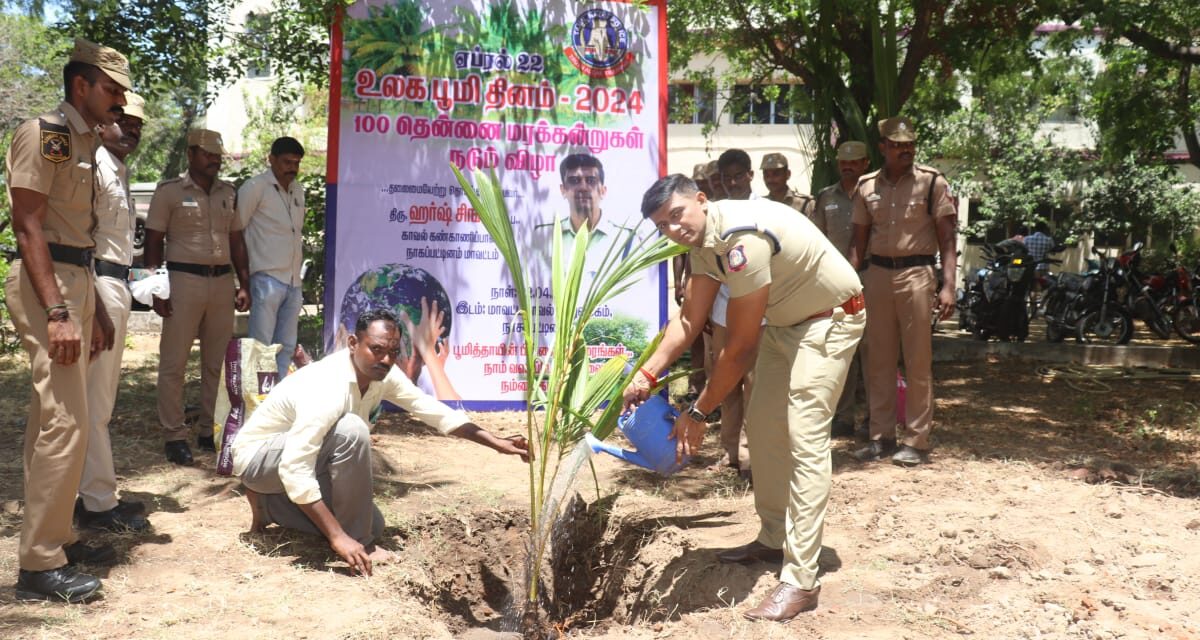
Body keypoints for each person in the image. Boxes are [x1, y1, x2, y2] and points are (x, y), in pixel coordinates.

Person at [625, 175, 865, 621]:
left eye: (676, 215)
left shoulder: (742, 239)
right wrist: (647, 373)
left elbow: (739, 347)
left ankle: (801, 580)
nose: (673, 229)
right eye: (662, 225)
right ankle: (774, 538)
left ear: (700, 199)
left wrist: (698, 412)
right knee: (764, 427)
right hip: (785, 324)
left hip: (829, 319)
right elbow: (688, 321)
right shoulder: (700, 242)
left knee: (804, 435)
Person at [231, 308, 529, 576]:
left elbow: (430, 409)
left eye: (392, 351)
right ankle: (357, 540)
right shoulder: (326, 385)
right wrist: (340, 538)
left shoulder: (383, 373)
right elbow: (296, 467)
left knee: (375, 524)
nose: (386, 359)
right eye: (376, 349)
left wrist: (496, 442)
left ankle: (270, 507)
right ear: (352, 344)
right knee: (351, 429)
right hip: (259, 460)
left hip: (294, 463)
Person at [6, 37, 129, 603]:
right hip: (47, 284)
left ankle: (51, 541)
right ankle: (38, 567)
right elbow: (28, 225)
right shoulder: (46, 133)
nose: (120, 100)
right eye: (111, 89)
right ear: (81, 85)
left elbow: (79, 237)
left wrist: (95, 308)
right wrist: (58, 311)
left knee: (52, 424)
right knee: (66, 423)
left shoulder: (84, 140)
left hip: (76, 280)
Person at [849, 117, 957, 467]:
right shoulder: (866, 187)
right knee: (877, 360)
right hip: (877, 274)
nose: (905, 149)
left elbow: (948, 240)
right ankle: (881, 437)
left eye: (909, 144)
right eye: (897, 145)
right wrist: (850, 285)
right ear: (882, 147)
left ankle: (917, 439)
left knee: (917, 361)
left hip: (917, 275)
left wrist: (949, 286)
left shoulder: (931, 182)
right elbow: (858, 243)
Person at [144, 129, 251, 466]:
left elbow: (235, 240)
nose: (214, 159)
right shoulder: (169, 192)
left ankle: (209, 429)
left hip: (221, 284)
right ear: (190, 155)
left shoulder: (228, 193)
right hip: (183, 281)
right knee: (174, 363)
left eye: (217, 154)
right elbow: (152, 240)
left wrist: (243, 283)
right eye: (207, 153)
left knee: (216, 364)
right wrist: (155, 285)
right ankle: (174, 435)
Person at [76, 92, 150, 533]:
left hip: (116, 282)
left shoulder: (118, 170)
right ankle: (96, 504)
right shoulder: (91, 166)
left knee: (99, 403)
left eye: (139, 127)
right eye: (124, 121)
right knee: (92, 403)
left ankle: (96, 496)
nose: (132, 131)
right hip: (97, 285)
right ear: (102, 124)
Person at [813, 141, 872, 438]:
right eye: (843, 162)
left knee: (873, 350)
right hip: (836, 283)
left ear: (865, 163)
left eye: (854, 162)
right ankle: (844, 416)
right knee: (842, 348)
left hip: (873, 276)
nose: (848, 166)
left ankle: (874, 418)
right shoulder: (826, 198)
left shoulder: (876, 194)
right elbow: (817, 240)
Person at [237, 136, 306, 379]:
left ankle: (277, 403)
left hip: (293, 282)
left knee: (286, 346)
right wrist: (241, 283)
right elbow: (235, 232)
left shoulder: (298, 190)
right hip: (265, 279)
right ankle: (255, 405)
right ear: (271, 159)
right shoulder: (254, 188)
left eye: (296, 163)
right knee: (260, 346)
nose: (292, 168)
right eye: (287, 162)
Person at [760, 152, 815, 218]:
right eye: (766, 175)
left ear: (788, 174)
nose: (770, 179)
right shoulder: (760, 204)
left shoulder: (804, 203)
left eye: (776, 174)